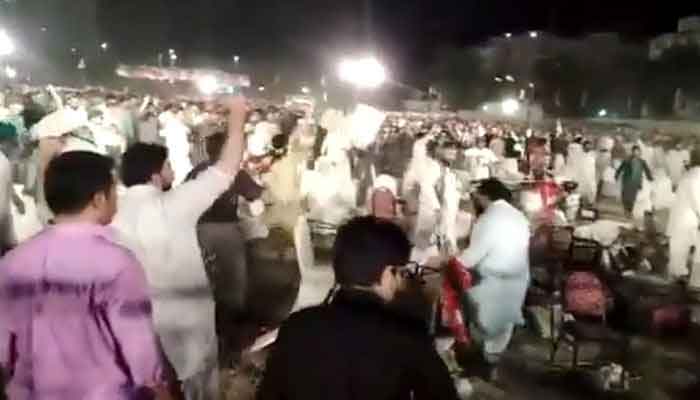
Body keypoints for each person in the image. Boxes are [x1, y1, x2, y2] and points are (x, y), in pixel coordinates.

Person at [0, 151, 167, 399]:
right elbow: (139, 348)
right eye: (114, 190)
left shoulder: (12, 263)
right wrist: (158, 388)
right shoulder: (117, 262)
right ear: (99, 199)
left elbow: (3, 348)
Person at [112, 97, 247, 400]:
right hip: (188, 326)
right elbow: (227, 169)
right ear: (155, 175)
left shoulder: (111, 213)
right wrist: (238, 118)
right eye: (168, 165)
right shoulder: (174, 205)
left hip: (134, 330)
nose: (172, 169)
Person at [258, 216, 458, 400]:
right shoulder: (407, 335)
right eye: (402, 272)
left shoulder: (296, 327)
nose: (403, 280)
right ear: (387, 274)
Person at [456, 179, 530, 377]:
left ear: (483, 196)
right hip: (518, 280)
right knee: (502, 330)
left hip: (492, 282)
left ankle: (476, 368)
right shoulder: (519, 217)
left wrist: (449, 262)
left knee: (478, 322)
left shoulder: (489, 218)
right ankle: (491, 367)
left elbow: (472, 257)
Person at [186, 131, 264, 315]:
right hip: (225, 228)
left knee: (202, 274)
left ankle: (205, 310)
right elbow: (255, 193)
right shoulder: (233, 172)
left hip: (199, 229)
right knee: (235, 276)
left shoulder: (197, 171)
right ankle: (232, 315)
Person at [666, 149, 700, 282]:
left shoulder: (689, 175)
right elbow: (696, 201)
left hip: (683, 219)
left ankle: (678, 277)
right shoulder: (695, 177)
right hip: (686, 220)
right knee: (680, 252)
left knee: (679, 253)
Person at [616, 146, 653, 218]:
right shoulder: (627, 160)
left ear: (639, 152)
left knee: (633, 197)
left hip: (636, 181)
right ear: (632, 152)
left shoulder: (642, 161)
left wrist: (650, 177)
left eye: (637, 151)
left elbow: (647, 170)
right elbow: (620, 168)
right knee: (625, 196)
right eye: (634, 151)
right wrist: (616, 175)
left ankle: (630, 211)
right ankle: (626, 209)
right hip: (627, 180)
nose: (636, 153)